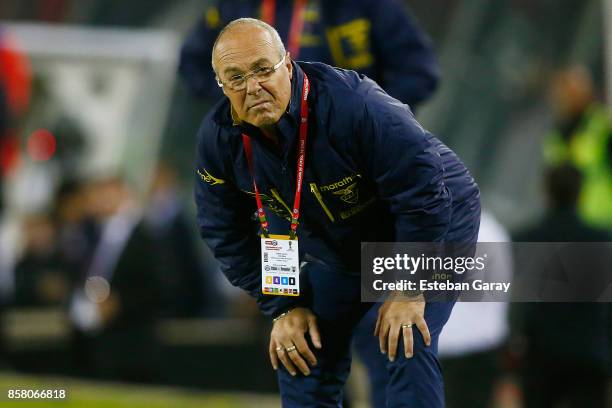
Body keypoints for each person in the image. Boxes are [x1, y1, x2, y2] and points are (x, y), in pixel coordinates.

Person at [194, 18, 480, 407]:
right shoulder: (219, 140)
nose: (253, 87)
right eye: (236, 77)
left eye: (263, 69)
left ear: (288, 66)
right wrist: (285, 307)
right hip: (340, 243)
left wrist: (408, 289)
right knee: (300, 350)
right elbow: (224, 230)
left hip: (433, 219)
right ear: (222, 86)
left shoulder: (356, 105)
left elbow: (424, 195)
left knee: (405, 337)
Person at [179, 0, 439, 109]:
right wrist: (240, 103)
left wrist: (368, 116)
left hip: (352, 157)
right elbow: (192, 61)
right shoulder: (240, 4)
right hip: (263, 154)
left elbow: (419, 72)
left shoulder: (367, 5)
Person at [512, 164, 611, 408]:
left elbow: (516, 300)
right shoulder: (602, 240)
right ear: (581, 194)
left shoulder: (525, 239)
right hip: (590, 351)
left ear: (545, 192)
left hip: (540, 353)